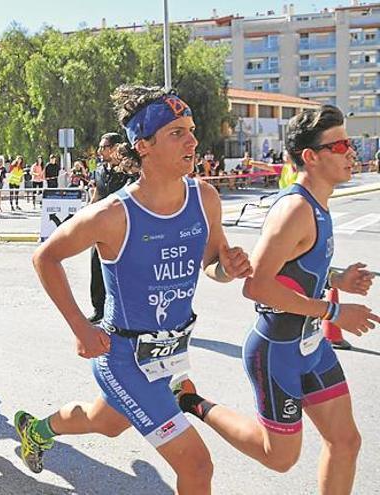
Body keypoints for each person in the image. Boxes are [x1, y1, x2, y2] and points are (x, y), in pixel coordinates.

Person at [14, 86, 252, 493]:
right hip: (122, 357)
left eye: (191, 129)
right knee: (197, 466)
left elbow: (211, 264)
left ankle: (37, 429)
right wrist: (80, 328)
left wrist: (228, 268)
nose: (193, 140)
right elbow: (45, 257)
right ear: (143, 145)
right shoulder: (113, 214)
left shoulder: (205, 198)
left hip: (169, 355)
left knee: (106, 423)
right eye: (177, 133)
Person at [173, 105, 377, 494]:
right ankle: (192, 401)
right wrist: (335, 310)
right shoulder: (295, 209)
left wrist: (338, 278)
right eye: (342, 145)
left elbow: (294, 269)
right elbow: (258, 287)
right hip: (277, 350)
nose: (353, 152)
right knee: (279, 458)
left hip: (311, 345)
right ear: (311, 157)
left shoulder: (319, 203)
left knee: (346, 442)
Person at [86, 132, 129, 323]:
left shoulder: (127, 171)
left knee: (124, 271)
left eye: (103, 147)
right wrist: (86, 215)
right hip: (100, 228)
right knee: (96, 267)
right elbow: (97, 194)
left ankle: (124, 311)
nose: (99, 151)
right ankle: (99, 309)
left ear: (113, 148)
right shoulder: (100, 170)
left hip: (123, 229)